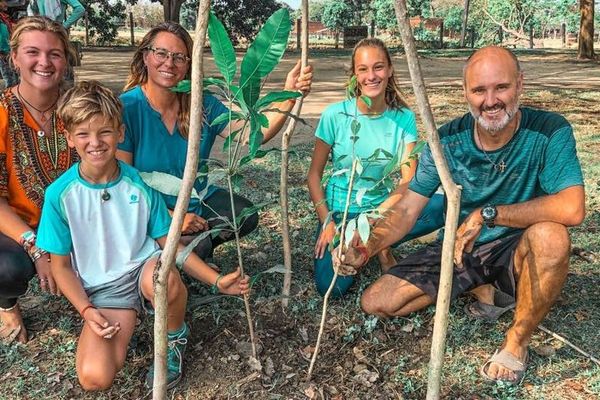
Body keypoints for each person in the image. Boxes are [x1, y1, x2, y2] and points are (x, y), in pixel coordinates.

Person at [337, 46, 585, 384]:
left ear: (520, 84)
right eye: (479, 90)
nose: (491, 100)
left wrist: (488, 214)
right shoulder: (447, 140)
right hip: (462, 249)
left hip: (517, 247)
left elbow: (572, 207)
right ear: (465, 92)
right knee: (376, 301)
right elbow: (408, 208)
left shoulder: (549, 130)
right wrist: (367, 245)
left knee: (552, 237)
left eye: (501, 87)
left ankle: (516, 343)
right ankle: (486, 288)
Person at [36, 81, 250, 391]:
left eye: (105, 132)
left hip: (143, 269)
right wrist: (87, 310)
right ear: (69, 138)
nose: (95, 142)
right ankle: (127, 315)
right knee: (94, 378)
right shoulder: (59, 195)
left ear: (120, 133)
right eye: (83, 134)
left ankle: (174, 338)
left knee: (164, 279)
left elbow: (169, 246)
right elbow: (61, 267)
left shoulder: (139, 183)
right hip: (105, 290)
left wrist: (216, 281)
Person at [116, 22, 313, 261]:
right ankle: (177, 251)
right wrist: (171, 217)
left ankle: (194, 245)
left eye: (179, 57)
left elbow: (253, 133)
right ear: (145, 56)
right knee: (189, 251)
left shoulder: (202, 102)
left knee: (243, 214)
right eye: (161, 53)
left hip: (196, 201)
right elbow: (124, 185)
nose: (169, 63)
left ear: (189, 64)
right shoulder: (126, 108)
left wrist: (288, 96)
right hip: (148, 211)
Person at [307, 38, 444, 298]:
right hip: (339, 213)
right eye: (363, 69)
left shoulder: (403, 118)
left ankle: (379, 243)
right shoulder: (335, 116)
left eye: (378, 67)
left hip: (382, 212)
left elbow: (408, 180)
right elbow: (313, 176)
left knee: (442, 206)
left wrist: (372, 219)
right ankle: (373, 246)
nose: (372, 76)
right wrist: (327, 223)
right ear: (354, 74)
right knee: (332, 288)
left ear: (390, 70)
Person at [0, 16, 78, 344]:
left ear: (66, 61)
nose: (44, 62)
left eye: (55, 54)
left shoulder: (79, 107)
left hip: (78, 221)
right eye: (33, 52)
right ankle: (6, 305)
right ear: (14, 58)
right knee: (7, 268)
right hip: (20, 228)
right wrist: (37, 247)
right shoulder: (2, 112)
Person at [0, 1, 18, 88]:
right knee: (9, 79)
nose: (6, 4)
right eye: (4, 2)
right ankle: (9, 100)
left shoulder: (4, 17)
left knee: (15, 77)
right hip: (2, 52)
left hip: (8, 50)